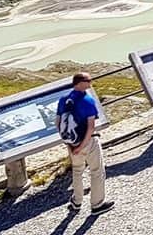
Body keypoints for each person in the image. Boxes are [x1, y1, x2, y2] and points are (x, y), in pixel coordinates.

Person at [57, 72, 114, 214]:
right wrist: (82, 145)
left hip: (72, 143)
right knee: (97, 171)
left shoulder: (63, 100)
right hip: (88, 142)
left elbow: (57, 123)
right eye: (88, 81)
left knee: (77, 171)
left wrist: (70, 144)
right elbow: (91, 127)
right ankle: (97, 204)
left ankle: (77, 201)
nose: (91, 83)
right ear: (80, 83)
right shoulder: (87, 100)